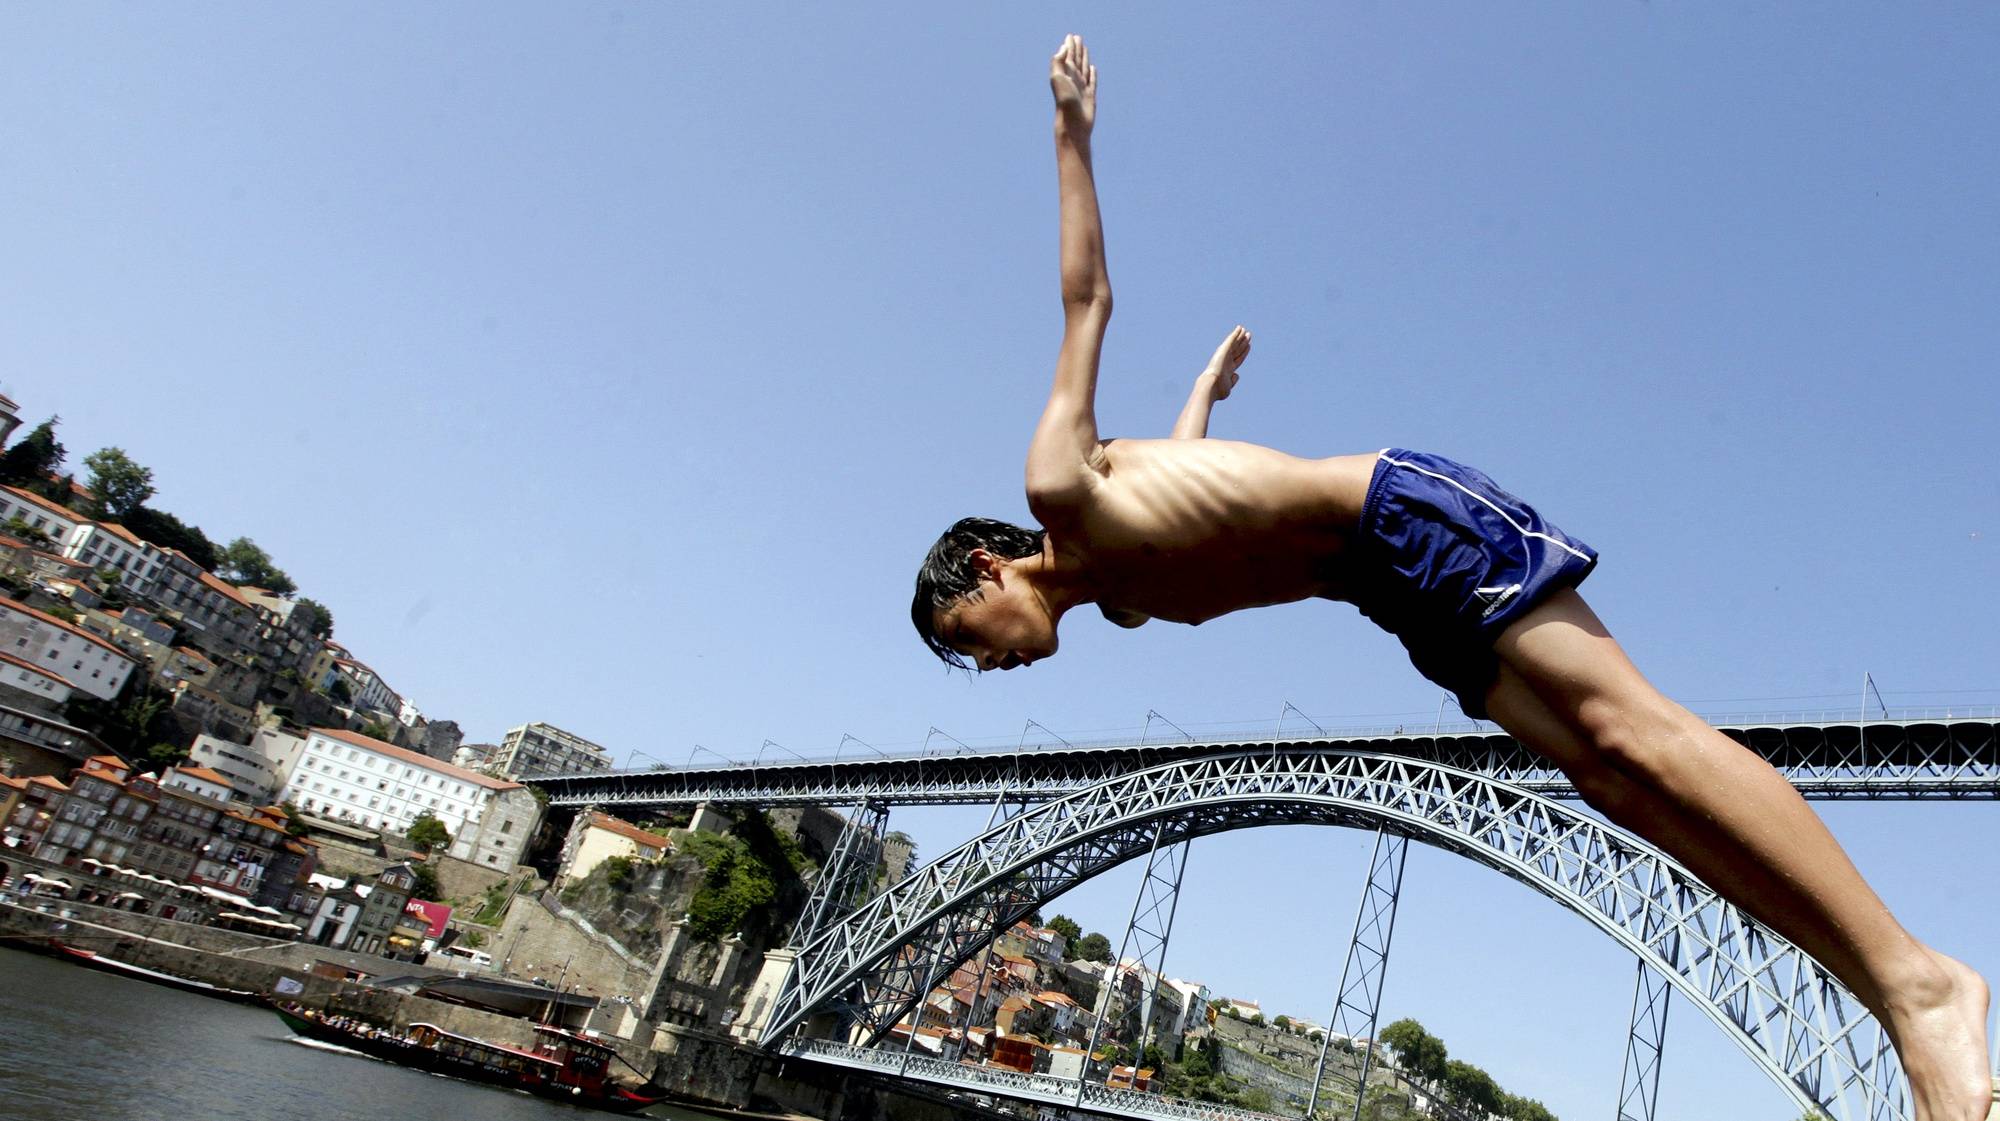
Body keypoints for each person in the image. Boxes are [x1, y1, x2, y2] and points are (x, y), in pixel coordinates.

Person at [909, 36, 1992, 1121]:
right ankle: (1894, 1005)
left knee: (1635, 731)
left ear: (988, 564)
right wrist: (1206, 388)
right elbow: (1183, 473)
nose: (988, 660)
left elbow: (1085, 301)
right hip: (1394, 602)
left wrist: (1069, 134)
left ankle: (1918, 987)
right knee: (1608, 780)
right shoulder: (1126, 596)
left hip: (1401, 516)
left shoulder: (1058, 481)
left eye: (970, 634)